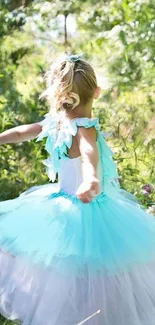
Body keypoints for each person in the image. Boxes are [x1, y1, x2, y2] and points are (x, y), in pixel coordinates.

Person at [0, 54, 155, 325]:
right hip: (92, 206)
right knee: (104, 267)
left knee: (64, 269)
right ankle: (97, 313)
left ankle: (76, 313)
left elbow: (24, 131)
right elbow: (88, 152)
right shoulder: (85, 128)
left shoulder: (55, 123)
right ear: (96, 92)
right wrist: (92, 179)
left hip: (62, 205)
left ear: (60, 95)